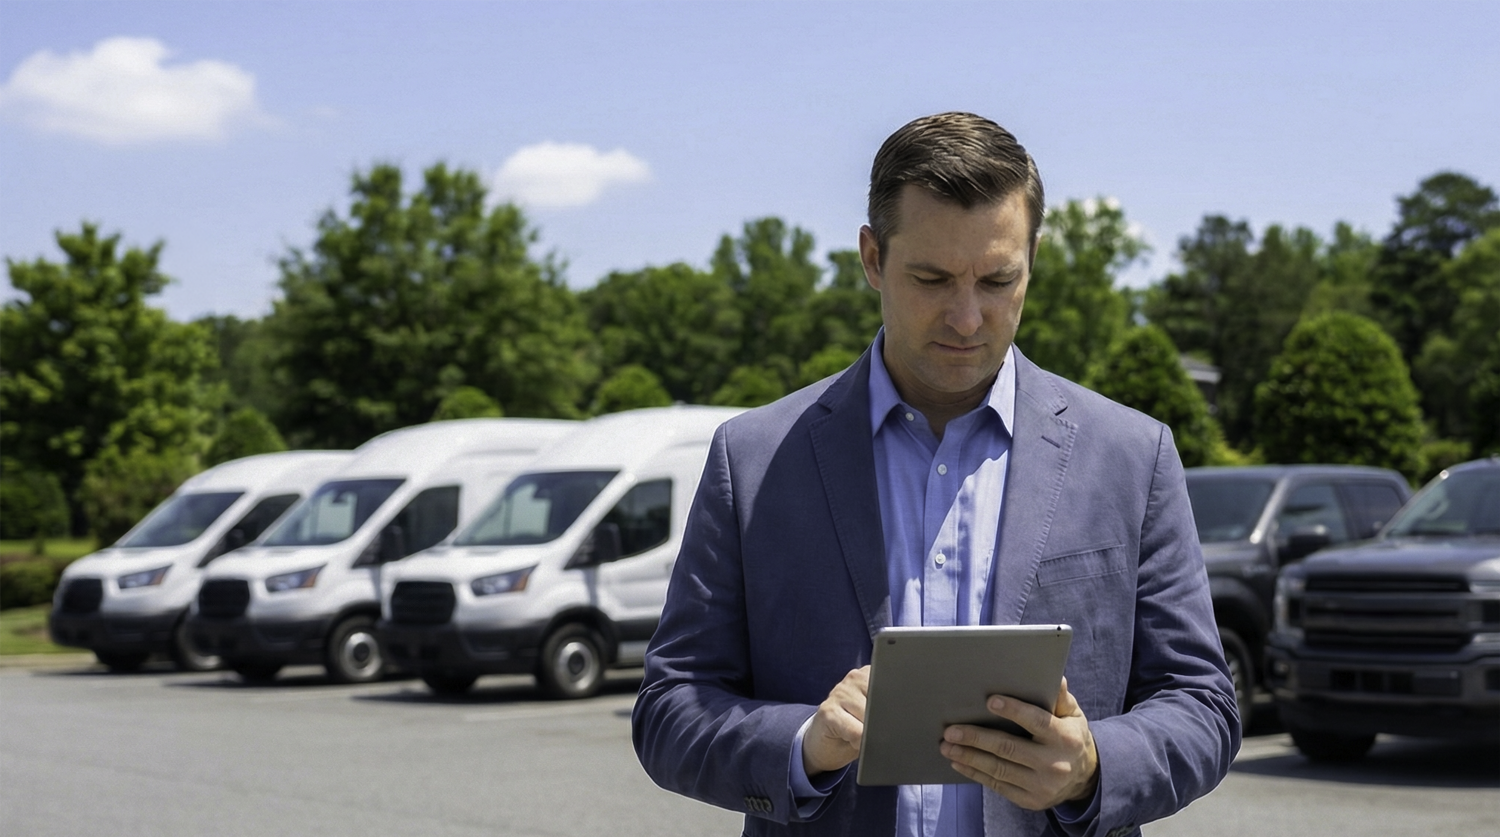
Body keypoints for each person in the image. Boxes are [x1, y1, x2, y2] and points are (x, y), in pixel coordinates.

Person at [632, 111, 1239, 837]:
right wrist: (802, 744)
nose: (967, 316)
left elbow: (1202, 701)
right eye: (932, 278)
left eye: (997, 280)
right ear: (871, 259)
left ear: (1032, 261)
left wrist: (1091, 765)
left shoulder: (1131, 457)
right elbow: (671, 705)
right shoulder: (754, 459)